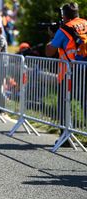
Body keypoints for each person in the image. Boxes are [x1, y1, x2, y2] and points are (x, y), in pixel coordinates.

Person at [45, 2, 87, 147]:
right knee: (85, 102)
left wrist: (52, 36)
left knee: (64, 103)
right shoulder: (85, 23)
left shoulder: (64, 30)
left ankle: (65, 137)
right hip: (84, 68)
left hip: (70, 72)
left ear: (64, 15)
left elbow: (50, 51)